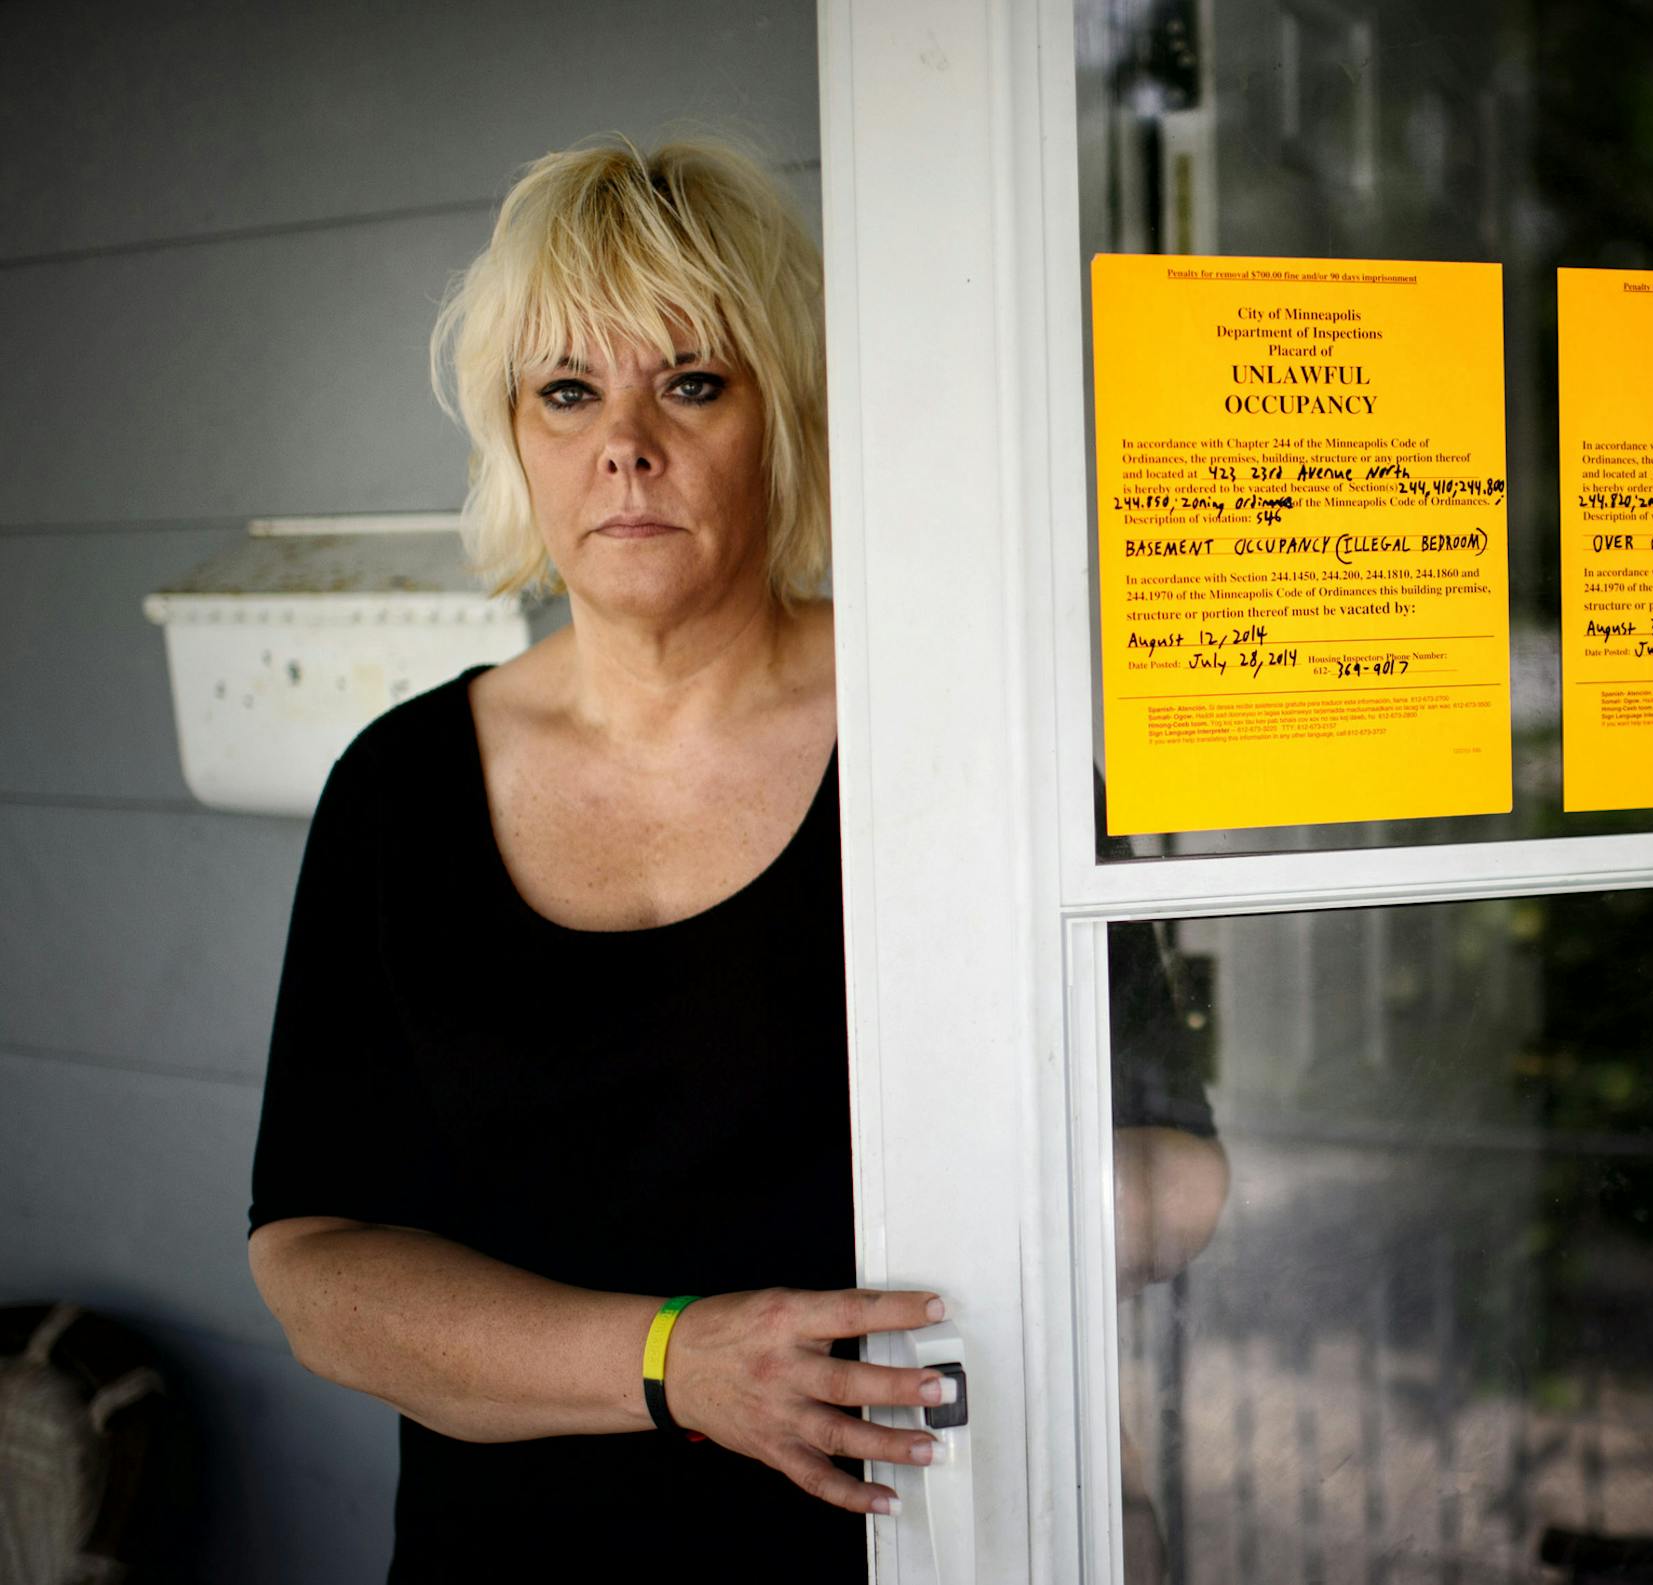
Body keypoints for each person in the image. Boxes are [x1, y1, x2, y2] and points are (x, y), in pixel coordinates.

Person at [244, 135, 1226, 1580]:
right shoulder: (396, 791)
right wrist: (675, 1361)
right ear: (514, 437)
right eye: (567, 391)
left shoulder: (958, 740)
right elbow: (315, 1270)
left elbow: (1180, 1177)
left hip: (925, 1537)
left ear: (787, 417)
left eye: (692, 381)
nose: (625, 443)